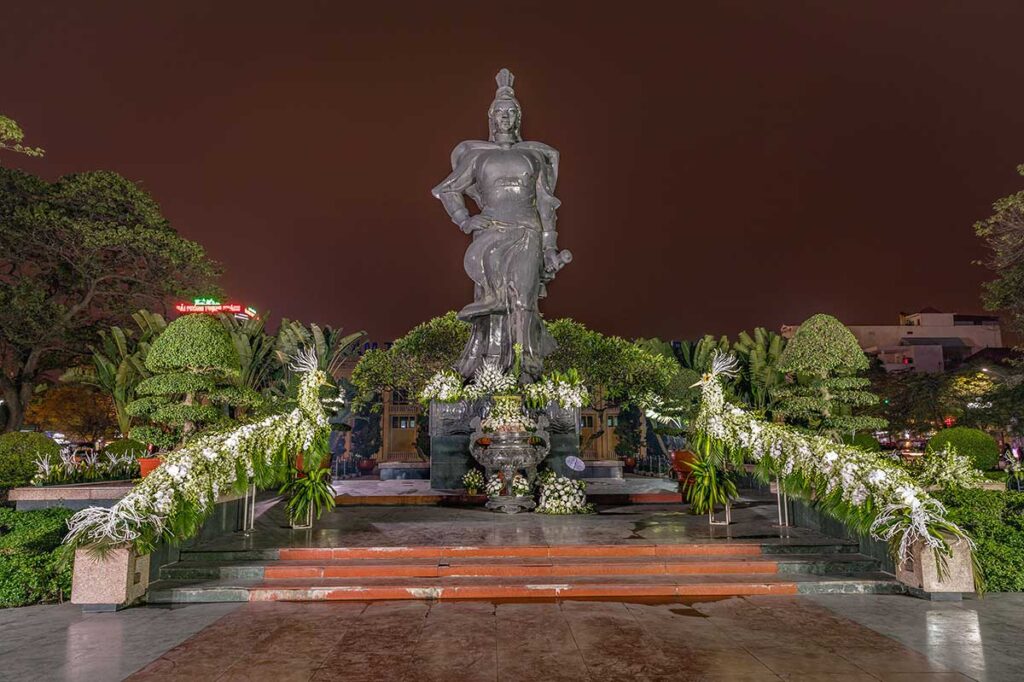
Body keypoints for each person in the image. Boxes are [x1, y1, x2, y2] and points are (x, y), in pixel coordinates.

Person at [433, 68, 570, 383]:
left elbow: (546, 203)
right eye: (500, 113)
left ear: (517, 118)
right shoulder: (478, 157)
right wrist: (464, 219)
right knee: (492, 302)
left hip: (527, 230)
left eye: (511, 113)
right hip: (490, 232)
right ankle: (490, 369)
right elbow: (448, 189)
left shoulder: (532, 157)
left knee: (523, 300)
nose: (505, 117)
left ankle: (527, 370)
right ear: (491, 117)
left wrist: (550, 247)